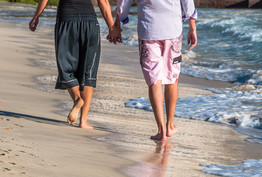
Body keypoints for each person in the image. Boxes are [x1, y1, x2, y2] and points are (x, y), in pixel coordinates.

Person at [29, 0, 121, 129]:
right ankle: (83, 121)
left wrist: (36, 17)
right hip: (90, 22)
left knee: (65, 67)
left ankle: (77, 99)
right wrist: (112, 28)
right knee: (89, 70)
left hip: (66, 21)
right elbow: (103, 2)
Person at [114, 0, 197, 141]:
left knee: (154, 80)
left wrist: (117, 24)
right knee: (172, 79)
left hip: (149, 31)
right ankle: (170, 126)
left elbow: (124, 2)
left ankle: (161, 131)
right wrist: (192, 26)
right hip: (173, 31)